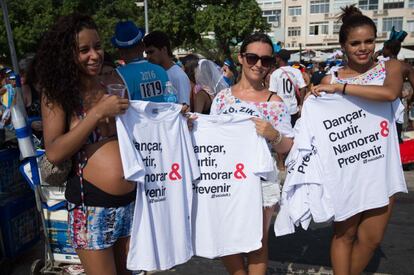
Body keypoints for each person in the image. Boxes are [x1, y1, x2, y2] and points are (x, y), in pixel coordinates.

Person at [311, 6, 407, 275]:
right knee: (345, 235)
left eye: (368, 41)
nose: (363, 48)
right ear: (343, 46)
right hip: (347, 170)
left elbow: (389, 94)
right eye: (355, 43)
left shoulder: (391, 67)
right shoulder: (332, 77)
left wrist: (338, 89)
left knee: (372, 239)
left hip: (382, 169)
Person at [35, 14, 134, 275]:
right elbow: (54, 151)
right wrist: (97, 113)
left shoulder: (112, 83)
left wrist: (176, 119)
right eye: (84, 50)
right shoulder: (57, 93)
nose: (94, 55)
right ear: (68, 54)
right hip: (91, 208)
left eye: (98, 46)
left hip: (131, 203)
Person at [210, 32, 293, 275]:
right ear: (240, 58)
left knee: (257, 242)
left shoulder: (274, 102)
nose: (258, 64)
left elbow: (288, 147)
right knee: (226, 236)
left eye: (266, 60)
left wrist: (273, 134)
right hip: (226, 178)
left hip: (260, 181)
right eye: (252, 57)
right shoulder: (222, 98)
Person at [112, 21, 169, 102]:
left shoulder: (117, 76)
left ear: (120, 53)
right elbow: (171, 103)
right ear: (142, 46)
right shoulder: (161, 71)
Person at [143, 31, 191, 104]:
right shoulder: (154, 73)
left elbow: (184, 108)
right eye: (147, 53)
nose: (148, 57)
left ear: (164, 50)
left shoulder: (178, 76)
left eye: (151, 52)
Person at [269, 49, 307, 127]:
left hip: (280, 110)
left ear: (279, 58)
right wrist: (301, 105)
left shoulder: (275, 74)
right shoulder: (296, 71)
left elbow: (273, 93)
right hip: (293, 109)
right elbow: (303, 87)